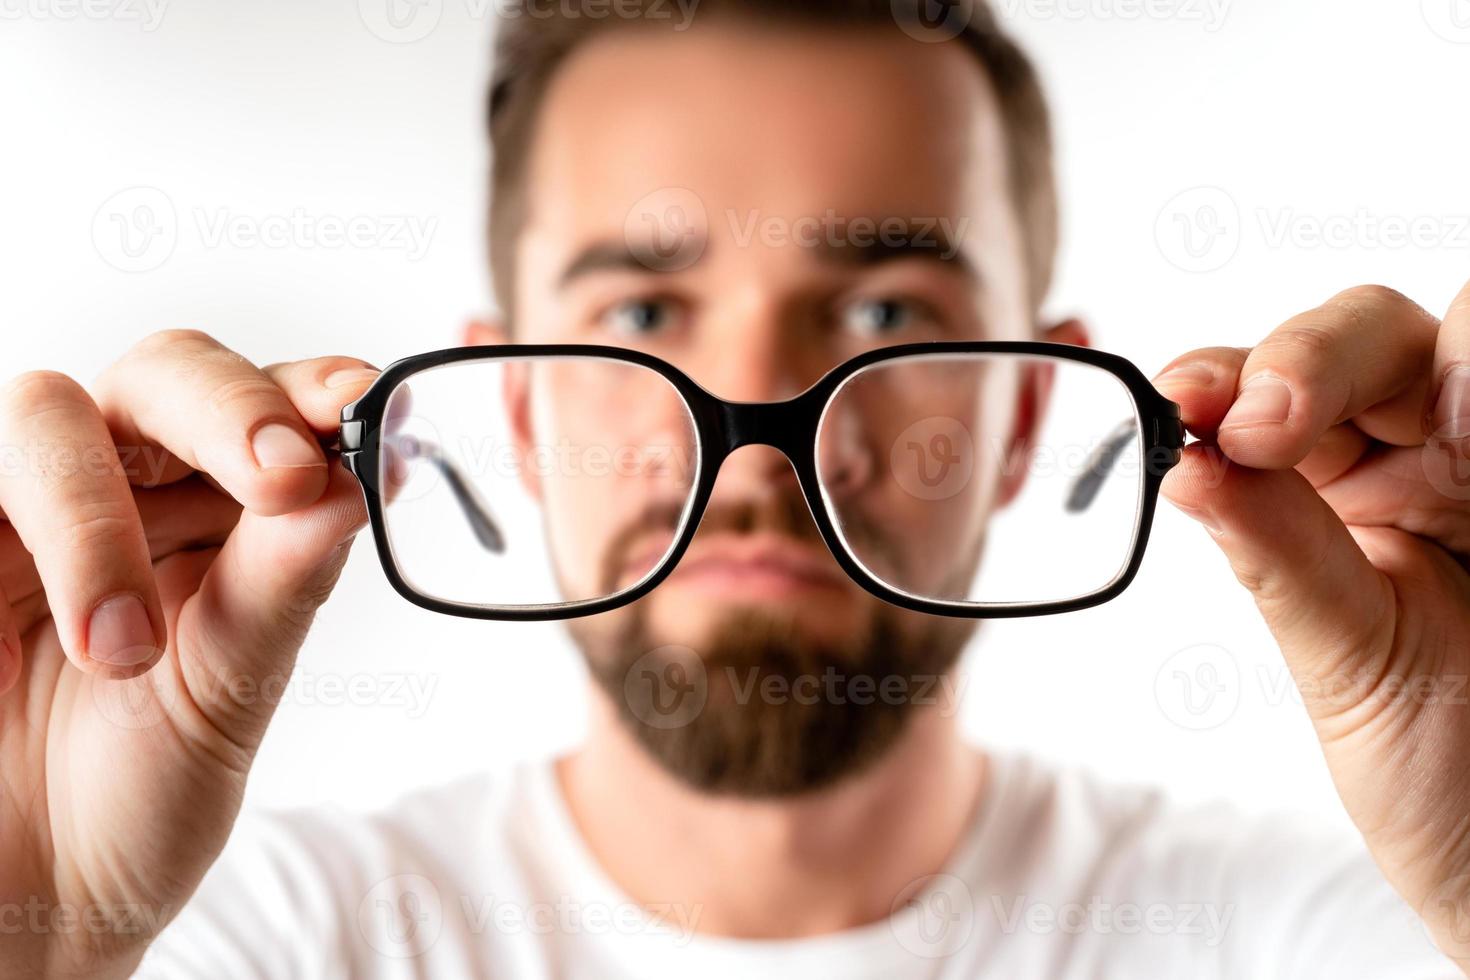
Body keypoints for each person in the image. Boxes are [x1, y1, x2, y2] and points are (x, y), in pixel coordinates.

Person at [3, 1, 1469, 976]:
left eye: (887, 313)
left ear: (1031, 404)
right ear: (507, 404)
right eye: (642, 314)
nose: (763, 445)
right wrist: (38, 920)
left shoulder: (1338, 937)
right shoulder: (247, 945)